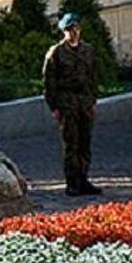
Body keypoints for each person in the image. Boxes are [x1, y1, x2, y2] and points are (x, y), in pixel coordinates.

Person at [42, 13, 102, 197]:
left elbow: (93, 77)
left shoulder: (87, 50)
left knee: (85, 143)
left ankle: (83, 179)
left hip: (84, 103)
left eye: (76, 28)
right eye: (70, 29)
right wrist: (54, 107)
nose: (74, 33)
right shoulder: (56, 53)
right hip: (66, 103)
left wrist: (93, 100)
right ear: (63, 31)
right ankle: (72, 182)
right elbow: (49, 82)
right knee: (71, 144)